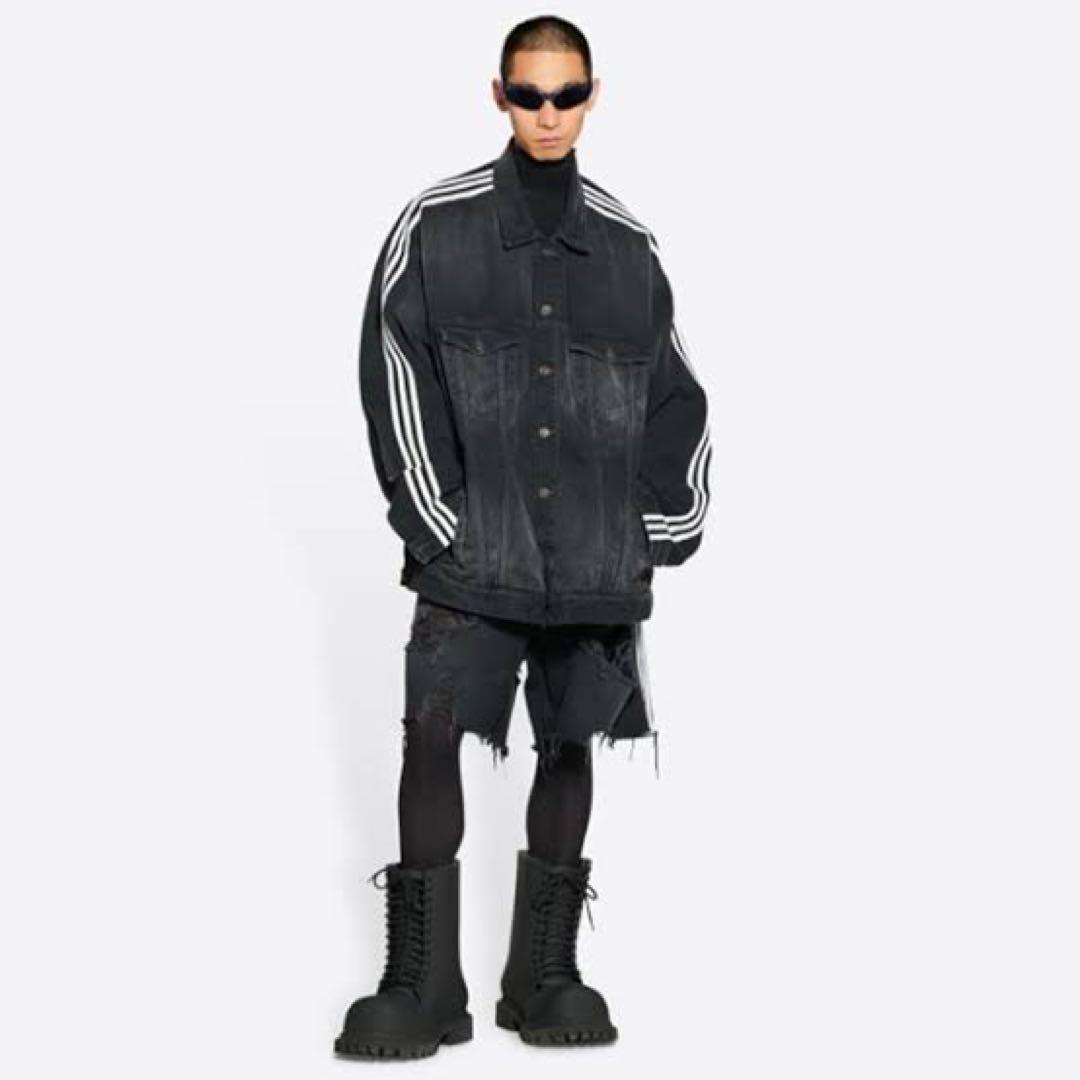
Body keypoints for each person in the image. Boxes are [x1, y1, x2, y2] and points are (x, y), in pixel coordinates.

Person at [335, 14, 712, 1058]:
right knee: (431, 737)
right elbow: (393, 371)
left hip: (594, 567)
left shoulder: (630, 247)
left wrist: (647, 530)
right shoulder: (437, 224)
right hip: (472, 558)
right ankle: (421, 984)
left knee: (569, 743)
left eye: (567, 94)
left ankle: (542, 975)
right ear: (499, 96)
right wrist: (439, 523)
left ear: (592, 96)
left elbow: (680, 401)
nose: (549, 114)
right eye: (530, 95)